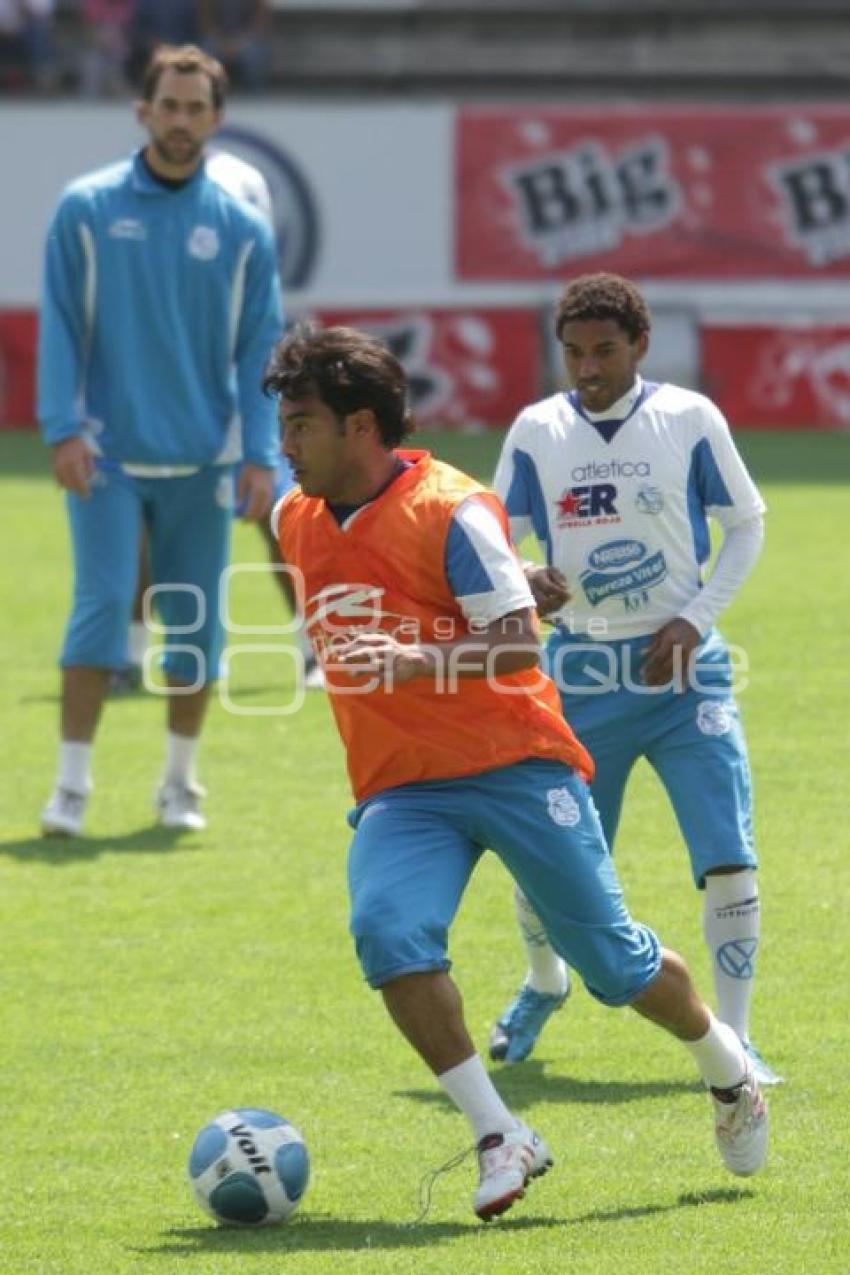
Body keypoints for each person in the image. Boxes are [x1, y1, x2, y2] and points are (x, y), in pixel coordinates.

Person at [264, 322, 768, 1221]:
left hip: (518, 766)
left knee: (616, 968)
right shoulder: (290, 516)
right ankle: (501, 1132)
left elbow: (516, 642)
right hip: (403, 785)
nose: (286, 442)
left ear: (362, 427)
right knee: (389, 936)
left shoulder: (452, 508)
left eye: (301, 423)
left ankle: (727, 1070)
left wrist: (417, 657)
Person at [488, 272, 781, 1087]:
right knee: (551, 857)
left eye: (604, 350)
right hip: (578, 671)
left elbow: (746, 525)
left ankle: (739, 1036)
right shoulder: (537, 428)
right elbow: (492, 534)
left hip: (686, 670)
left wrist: (697, 617)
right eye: (574, 352)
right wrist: (527, 574)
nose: (587, 366)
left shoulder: (689, 417)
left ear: (640, 345)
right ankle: (545, 980)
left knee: (728, 854)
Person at [38, 43, 284, 837]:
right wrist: (63, 429)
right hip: (106, 455)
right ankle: (71, 785)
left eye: (196, 107)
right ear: (143, 111)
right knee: (104, 606)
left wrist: (260, 452)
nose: (181, 120)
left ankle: (180, 782)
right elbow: (62, 327)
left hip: (205, 461)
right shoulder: (86, 206)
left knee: (197, 621)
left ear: (218, 117)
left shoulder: (243, 228)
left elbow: (259, 349)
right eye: (168, 106)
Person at [110, 147, 321, 695]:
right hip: (174, 417)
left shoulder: (252, 273)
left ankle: (313, 652)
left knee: (283, 523)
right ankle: (130, 657)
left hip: (246, 413)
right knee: (147, 531)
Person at [197, 0, 269, 93]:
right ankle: (207, 96)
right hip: (217, 40)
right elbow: (205, 22)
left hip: (246, 40)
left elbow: (260, 23)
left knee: (254, 57)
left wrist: (240, 44)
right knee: (207, 54)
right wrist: (222, 43)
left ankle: (256, 97)